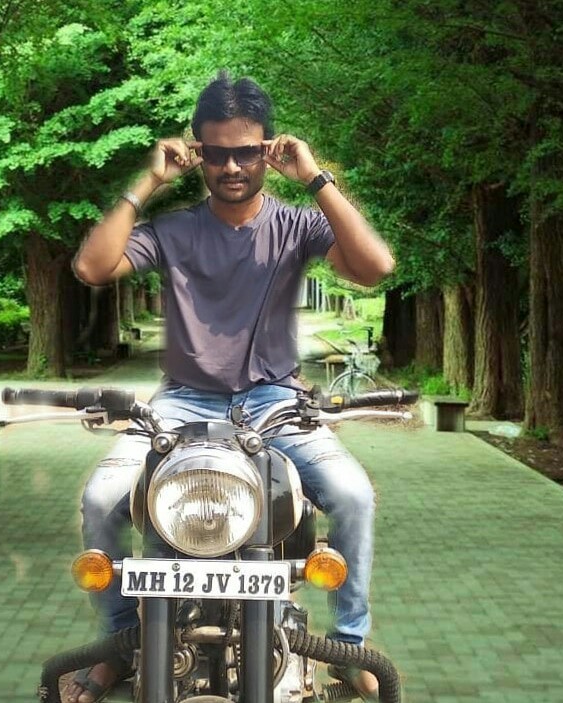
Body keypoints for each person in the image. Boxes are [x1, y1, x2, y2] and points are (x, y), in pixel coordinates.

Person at [67, 72, 395, 703]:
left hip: (275, 401)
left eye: (246, 151)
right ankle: (119, 644)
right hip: (182, 402)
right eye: (216, 153)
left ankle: (348, 646)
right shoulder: (174, 230)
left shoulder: (296, 225)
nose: (232, 166)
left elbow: (375, 267)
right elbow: (92, 265)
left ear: (269, 149)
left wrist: (315, 177)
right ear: (198, 153)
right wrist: (148, 182)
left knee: (353, 496)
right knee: (100, 499)